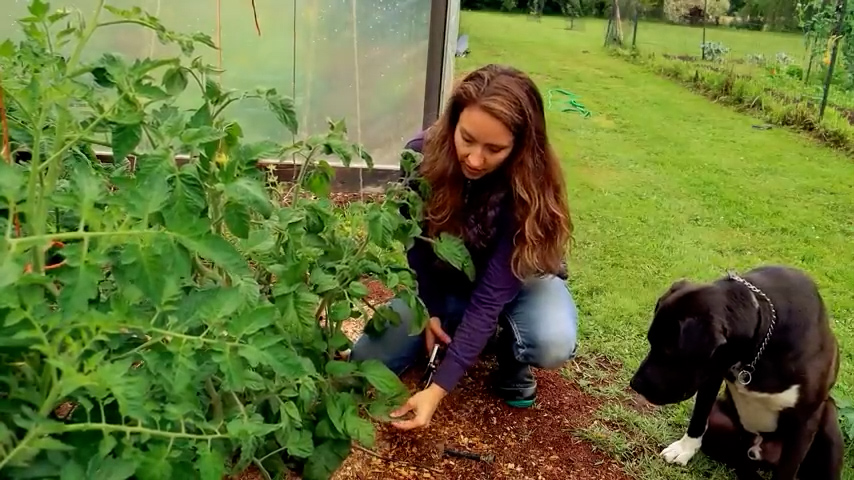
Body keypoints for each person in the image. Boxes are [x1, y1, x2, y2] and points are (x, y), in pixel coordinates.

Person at [350, 64, 578, 430]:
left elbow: (491, 294)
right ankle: (466, 328)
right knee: (365, 360)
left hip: (521, 281)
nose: (474, 159)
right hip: (451, 280)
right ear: (453, 120)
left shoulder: (527, 188)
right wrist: (431, 308)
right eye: (467, 138)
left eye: (494, 149)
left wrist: (438, 388)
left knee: (550, 339)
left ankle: (511, 351)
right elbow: (417, 244)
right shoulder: (420, 157)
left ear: (520, 146)